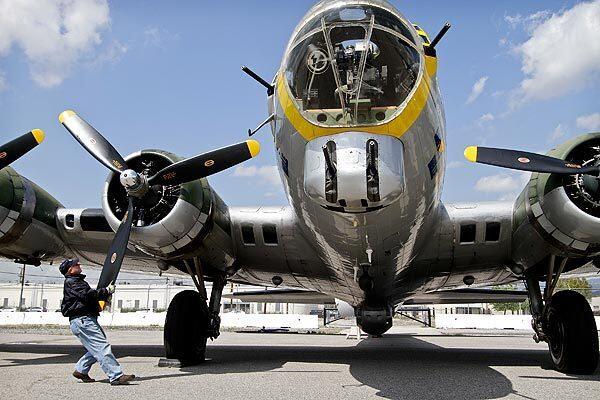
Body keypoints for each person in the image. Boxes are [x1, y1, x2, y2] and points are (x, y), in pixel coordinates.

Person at [59, 258, 135, 385]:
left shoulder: (75, 281)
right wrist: (106, 291)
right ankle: (116, 376)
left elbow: (86, 297)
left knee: (96, 348)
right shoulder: (73, 282)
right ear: (70, 270)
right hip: (83, 320)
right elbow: (87, 295)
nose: (79, 265)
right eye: (75, 264)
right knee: (102, 347)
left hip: (84, 320)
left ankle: (81, 370)